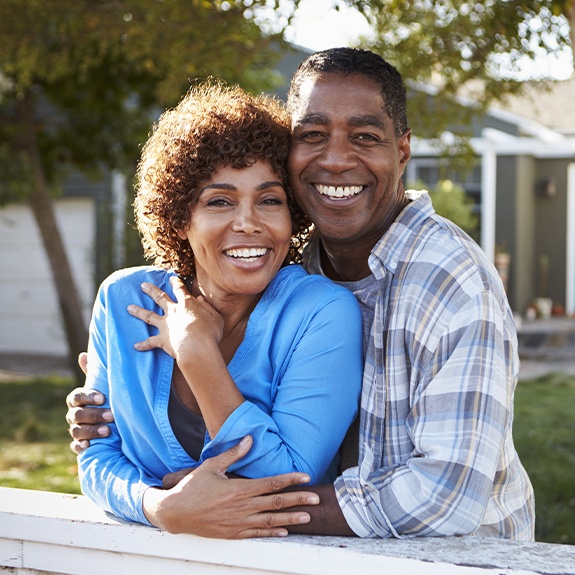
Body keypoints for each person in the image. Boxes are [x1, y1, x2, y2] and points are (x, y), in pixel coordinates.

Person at [67, 47, 535, 541]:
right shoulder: (302, 260)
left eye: (364, 136)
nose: (334, 159)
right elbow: (101, 451)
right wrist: (159, 504)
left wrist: (227, 506)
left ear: (402, 151)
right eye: (312, 135)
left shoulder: (451, 283)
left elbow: (447, 496)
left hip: (463, 560)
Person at [74, 80, 363, 531]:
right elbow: (96, 457)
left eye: (269, 200)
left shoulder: (321, 313)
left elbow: (288, 480)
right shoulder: (123, 301)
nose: (248, 223)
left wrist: (196, 352)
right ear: (179, 217)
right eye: (219, 201)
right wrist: (159, 506)